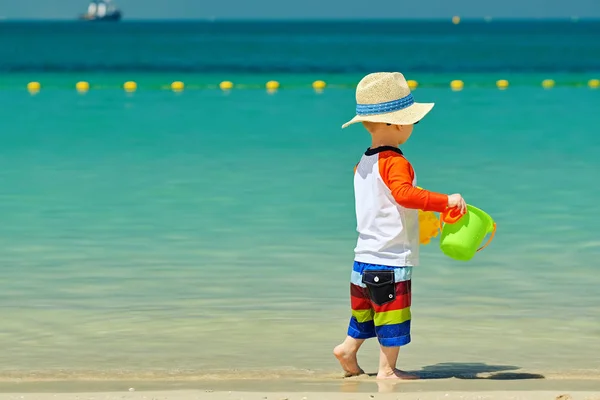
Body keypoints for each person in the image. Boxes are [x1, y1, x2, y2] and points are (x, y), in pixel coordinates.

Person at [333, 72, 466, 380]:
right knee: (393, 317)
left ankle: (347, 350)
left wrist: (422, 220)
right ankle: (387, 370)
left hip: (362, 258)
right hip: (389, 261)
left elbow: (382, 205)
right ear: (396, 124)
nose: (412, 128)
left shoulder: (362, 163)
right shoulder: (395, 161)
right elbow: (404, 195)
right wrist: (446, 200)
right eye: (412, 122)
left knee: (365, 314)